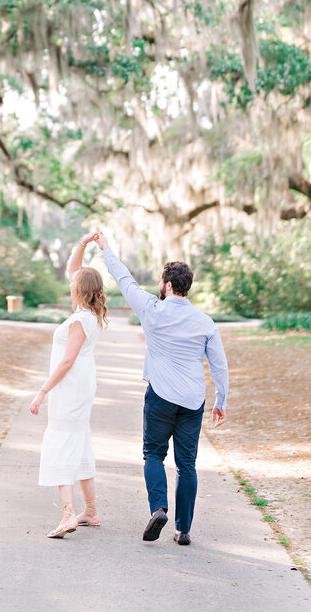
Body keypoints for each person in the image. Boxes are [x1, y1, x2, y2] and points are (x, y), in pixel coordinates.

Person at [95, 229, 228, 547]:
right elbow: (219, 367)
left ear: (168, 285)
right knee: (187, 465)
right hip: (193, 400)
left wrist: (107, 249)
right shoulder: (205, 322)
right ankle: (183, 530)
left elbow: (124, 280)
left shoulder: (151, 310)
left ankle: (158, 508)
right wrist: (220, 401)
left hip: (160, 397)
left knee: (153, 454)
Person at [30, 230, 107, 538]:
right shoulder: (88, 314)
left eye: (74, 285)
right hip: (81, 386)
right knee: (80, 442)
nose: (70, 284)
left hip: (70, 387)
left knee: (61, 442)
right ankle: (91, 511)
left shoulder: (78, 321)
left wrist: (43, 390)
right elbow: (75, 271)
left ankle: (68, 514)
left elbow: (66, 361)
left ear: (80, 291)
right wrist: (83, 243)